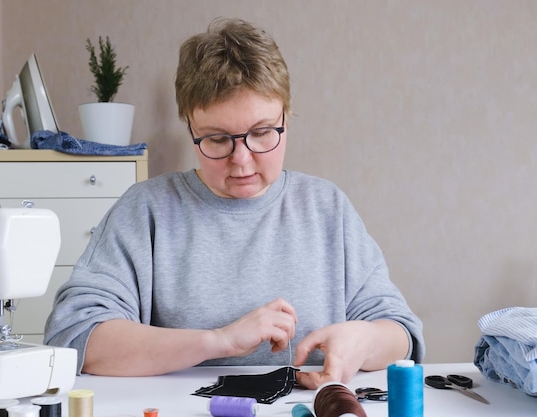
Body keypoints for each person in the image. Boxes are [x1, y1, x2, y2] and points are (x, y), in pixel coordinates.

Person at [44, 17, 424, 390]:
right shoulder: (146, 211)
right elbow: (75, 335)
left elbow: (401, 333)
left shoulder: (328, 209)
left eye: (261, 133)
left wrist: (364, 340)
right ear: (190, 128)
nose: (241, 159)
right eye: (216, 139)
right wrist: (219, 341)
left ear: (286, 118)